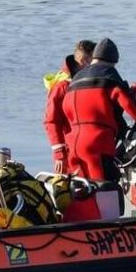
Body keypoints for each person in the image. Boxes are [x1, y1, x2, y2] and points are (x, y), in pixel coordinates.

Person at [62, 38, 136, 182]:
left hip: (72, 143)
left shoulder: (75, 80)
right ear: (113, 61)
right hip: (97, 144)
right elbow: (129, 105)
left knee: (81, 191)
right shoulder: (110, 76)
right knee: (106, 188)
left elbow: (68, 107)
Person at [43, 39, 96, 173]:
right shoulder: (62, 86)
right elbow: (51, 120)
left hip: (82, 145)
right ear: (86, 61)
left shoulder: (84, 80)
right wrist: (59, 152)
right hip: (68, 150)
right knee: (69, 189)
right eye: (95, 62)